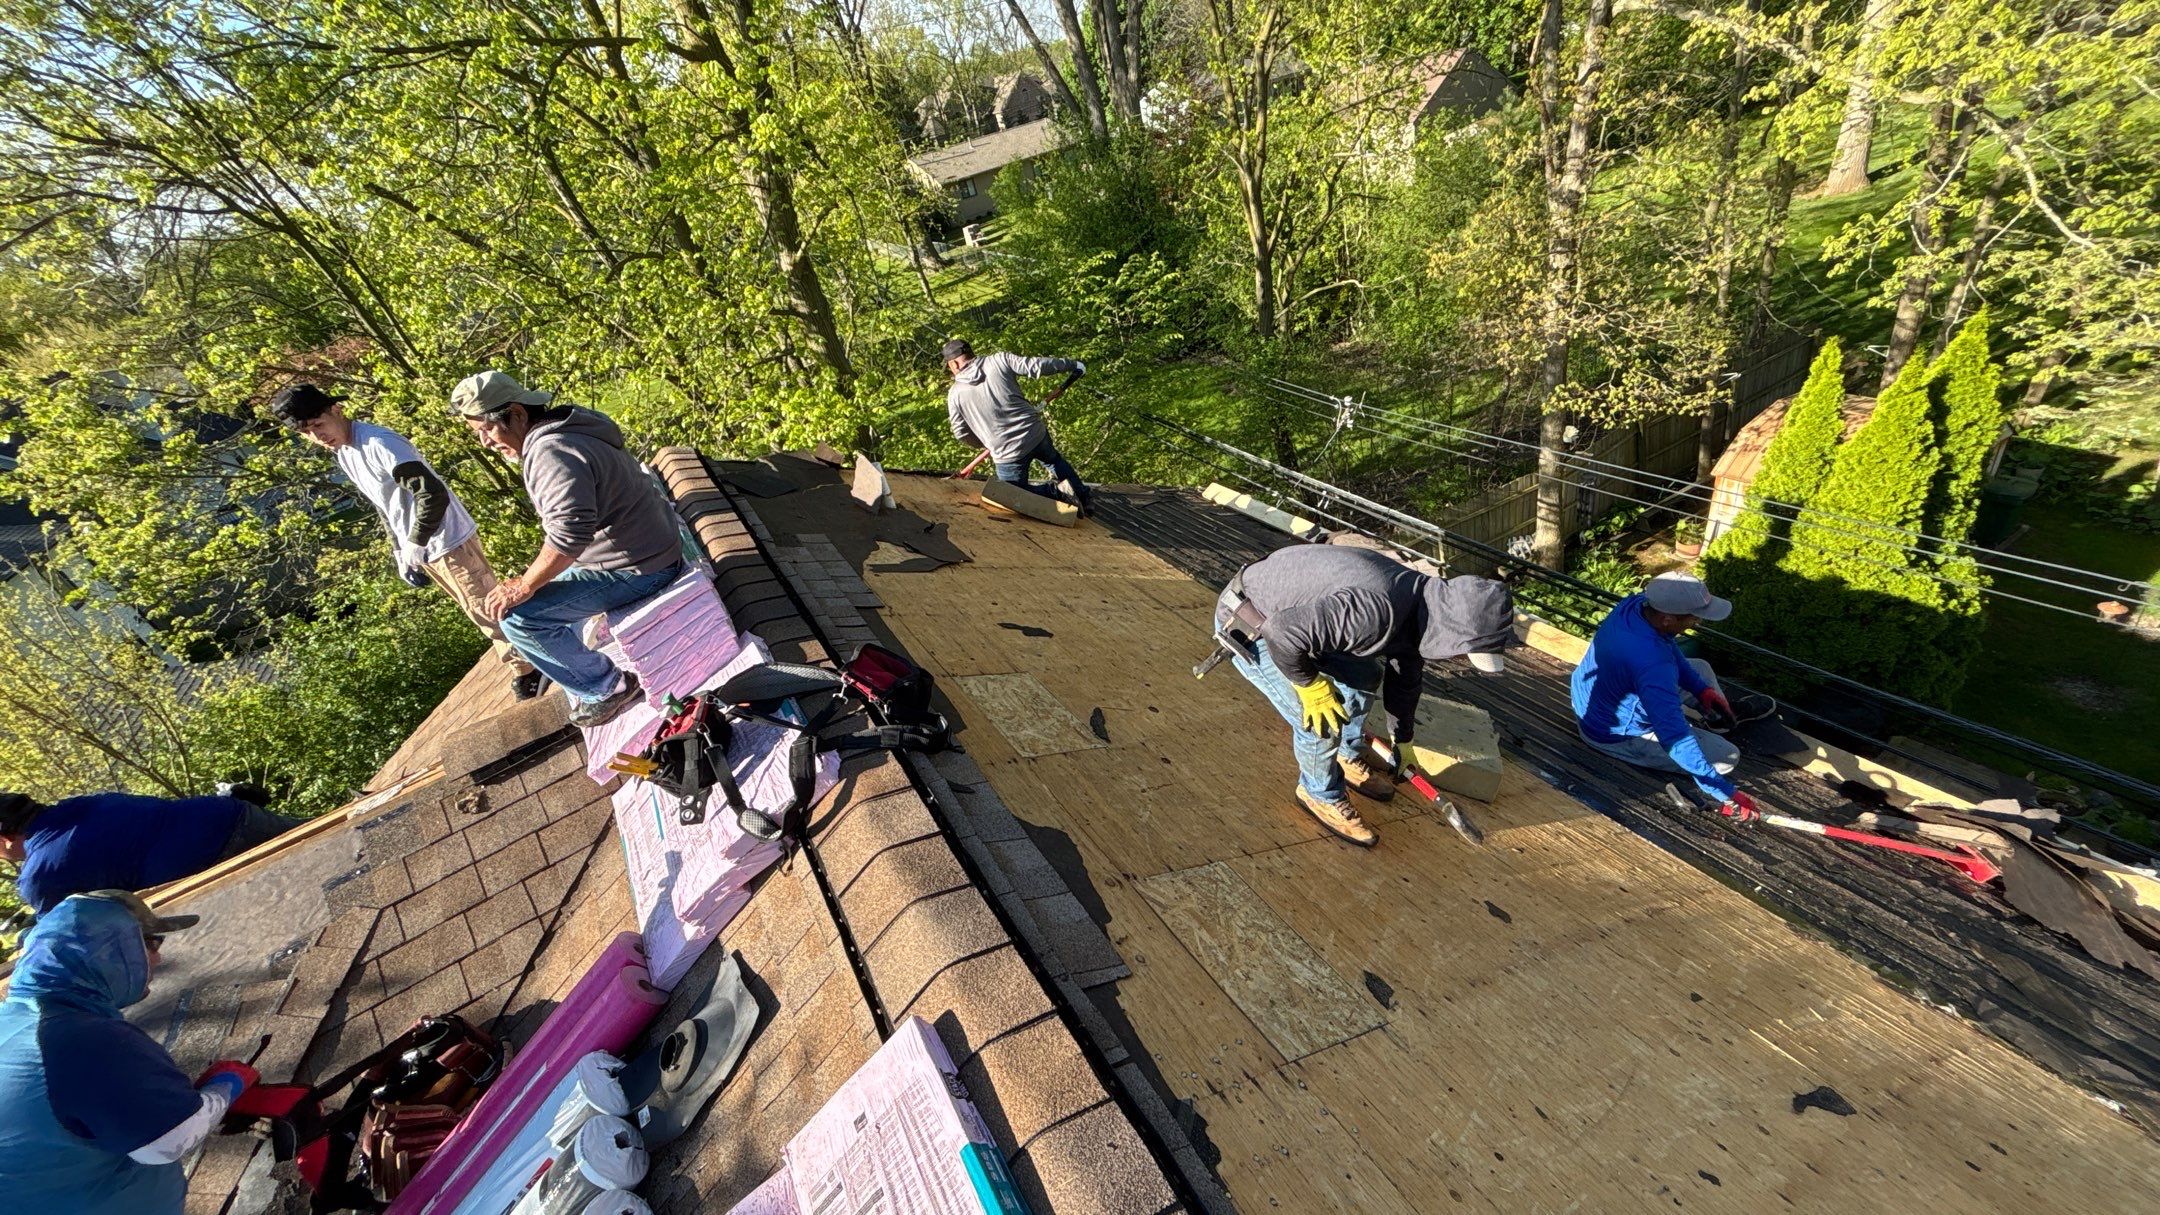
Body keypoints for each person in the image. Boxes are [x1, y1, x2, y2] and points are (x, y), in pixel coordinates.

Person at [1214, 544, 1515, 846]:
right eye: (1463, 650)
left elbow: (1406, 677)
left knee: (1365, 675)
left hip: (1300, 624)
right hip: (1252, 623)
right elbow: (1281, 632)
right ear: (1452, 630)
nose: (1460, 658)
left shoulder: (1420, 604)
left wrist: (1403, 738)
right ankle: (1319, 793)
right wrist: (1312, 687)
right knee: (1320, 722)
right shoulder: (1376, 612)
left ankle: (1346, 754)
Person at [271, 383, 545, 699]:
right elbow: (384, 504)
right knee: (479, 613)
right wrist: (400, 549)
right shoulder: (346, 452)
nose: (317, 437)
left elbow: (432, 493)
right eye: (307, 433)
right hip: (426, 549)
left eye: (318, 425)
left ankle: (532, 669)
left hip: (448, 540)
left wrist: (415, 540)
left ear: (337, 410)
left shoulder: (379, 443)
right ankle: (531, 662)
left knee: (490, 611)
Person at [0, 891, 260, 1214]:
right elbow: (169, 1139)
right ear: (112, 949)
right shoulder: (79, 1040)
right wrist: (226, 1086)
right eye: (152, 943)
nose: (158, 959)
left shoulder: (14, 1021)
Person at [452, 370, 684, 729]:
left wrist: (525, 584)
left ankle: (608, 687)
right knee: (538, 586)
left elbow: (568, 536)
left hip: (638, 567)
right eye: (477, 433)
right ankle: (578, 660)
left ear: (516, 413)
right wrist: (533, 579)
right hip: (646, 548)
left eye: (487, 429)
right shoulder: (570, 426)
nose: (484, 442)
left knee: (519, 619)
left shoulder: (550, 451)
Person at [1571, 572, 1758, 821]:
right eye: (1694, 617)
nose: (1698, 622)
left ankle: (1714, 720)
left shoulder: (1637, 605)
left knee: (1700, 668)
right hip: (1613, 735)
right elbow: (1675, 738)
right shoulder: (1653, 666)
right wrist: (1723, 791)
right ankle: (1706, 735)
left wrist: (1701, 690)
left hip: (1593, 700)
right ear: (1668, 618)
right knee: (1727, 757)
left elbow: (1666, 645)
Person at [0, 789, 303, 915]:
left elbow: (60, 936)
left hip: (210, 864)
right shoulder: (87, 804)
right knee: (342, 836)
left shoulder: (38, 876)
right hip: (232, 814)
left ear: (4, 838)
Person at [943, 338, 1093, 515]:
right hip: (1034, 433)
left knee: (1011, 496)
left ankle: (1057, 494)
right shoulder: (999, 360)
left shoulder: (955, 394)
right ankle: (1083, 497)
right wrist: (1071, 364)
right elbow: (1036, 366)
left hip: (1006, 452)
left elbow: (961, 432)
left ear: (954, 363)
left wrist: (986, 443)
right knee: (1054, 460)